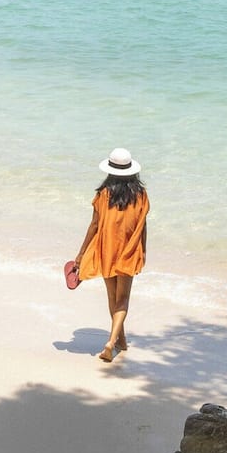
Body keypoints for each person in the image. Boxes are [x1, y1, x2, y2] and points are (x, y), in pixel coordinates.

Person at [73, 147, 149, 362]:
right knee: (122, 300)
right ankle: (113, 341)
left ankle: (119, 341)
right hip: (129, 249)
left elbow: (94, 225)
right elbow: (142, 226)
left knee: (112, 297)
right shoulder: (141, 195)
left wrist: (81, 254)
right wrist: (142, 250)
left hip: (107, 250)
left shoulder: (103, 195)